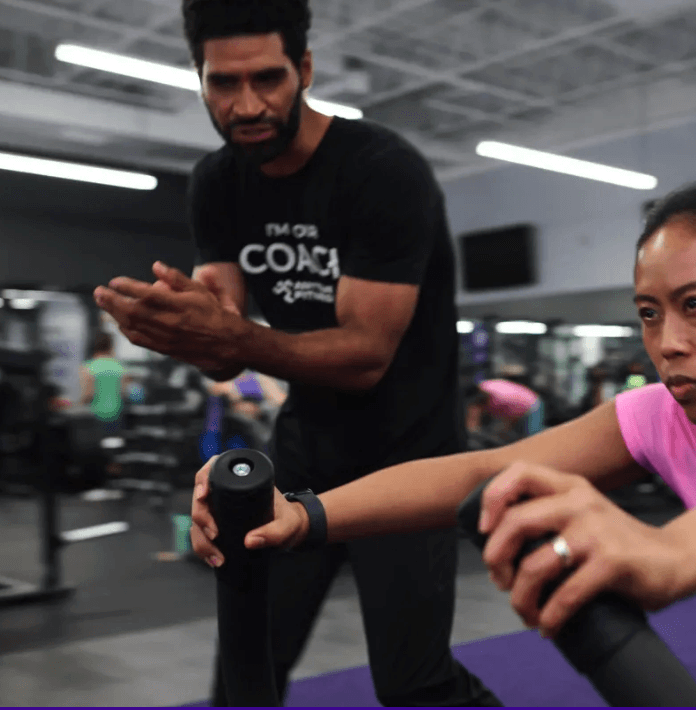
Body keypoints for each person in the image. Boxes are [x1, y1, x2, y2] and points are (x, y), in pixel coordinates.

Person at [191, 176, 696, 707]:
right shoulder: (663, 419)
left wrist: (667, 553)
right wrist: (301, 514)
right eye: (649, 312)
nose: (665, 341)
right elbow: (482, 469)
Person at [93, 1, 500, 706]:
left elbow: (365, 355)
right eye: (223, 83)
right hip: (304, 451)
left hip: (412, 455)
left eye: (267, 78)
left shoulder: (381, 171)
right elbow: (226, 350)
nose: (247, 103)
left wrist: (230, 339)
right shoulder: (219, 183)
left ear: (304, 69)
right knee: (246, 674)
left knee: (414, 685)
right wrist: (184, 332)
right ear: (200, 80)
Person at [79, 331, 128, 433]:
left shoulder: (88, 367)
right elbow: (124, 392)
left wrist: (77, 404)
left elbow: (88, 395)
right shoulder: (119, 366)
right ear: (110, 345)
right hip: (117, 416)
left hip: (95, 417)